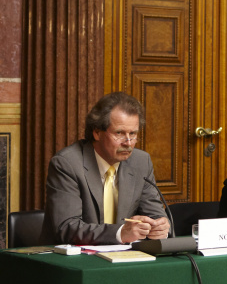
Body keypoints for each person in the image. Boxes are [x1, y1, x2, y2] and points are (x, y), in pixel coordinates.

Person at [44, 92, 171, 245]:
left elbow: (155, 213)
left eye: (133, 134)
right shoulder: (67, 163)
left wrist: (160, 226)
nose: (128, 143)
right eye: (119, 133)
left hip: (125, 259)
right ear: (97, 132)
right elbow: (67, 228)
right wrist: (120, 233)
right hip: (75, 260)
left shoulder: (141, 162)